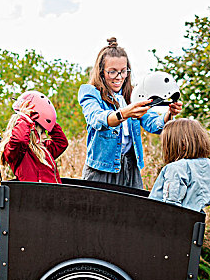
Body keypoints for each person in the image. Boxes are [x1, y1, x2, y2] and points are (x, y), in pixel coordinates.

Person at [77, 37, 183, 189]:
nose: (119, 77)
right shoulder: (90, 92)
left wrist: (169, 114)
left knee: (131, 212)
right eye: (112, 72)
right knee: (97, 212)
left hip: (130, 168)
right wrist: (124, 114)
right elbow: (96, 119)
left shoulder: (133, 95)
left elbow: (154, 125)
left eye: (123, 71)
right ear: (101, 72)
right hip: (101, 169)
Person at [0, 91, 68, 183]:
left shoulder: (43, 149)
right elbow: (19, 140)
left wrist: (47, 118)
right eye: (41, 132)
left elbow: (61, 142)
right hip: (33, 196)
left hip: (52, 195)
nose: (45, 136)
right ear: (30, 131)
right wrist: (24, 119)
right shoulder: (17, 152)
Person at [149, 118, 210, 212]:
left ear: (181, 144)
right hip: (196, 218)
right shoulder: (209, 164)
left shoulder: (175, 168)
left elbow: (171, 204)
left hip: (169, 221)